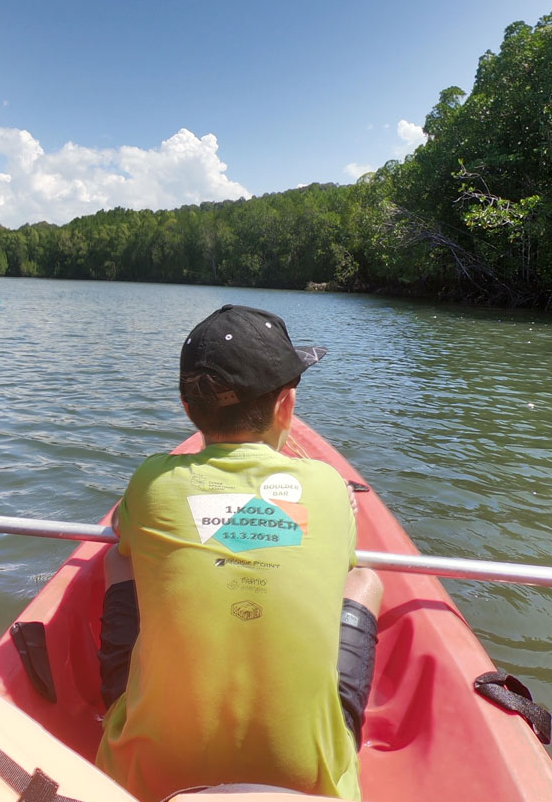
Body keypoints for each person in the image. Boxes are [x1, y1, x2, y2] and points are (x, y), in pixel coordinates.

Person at [95, 304, 382, 801]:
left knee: (118, 556)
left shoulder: (152, 481)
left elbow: (122, 524)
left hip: (146, 776)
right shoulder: (329, 486)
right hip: (308, 783)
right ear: (286, 407)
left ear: (189, 409)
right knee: (365, 581)